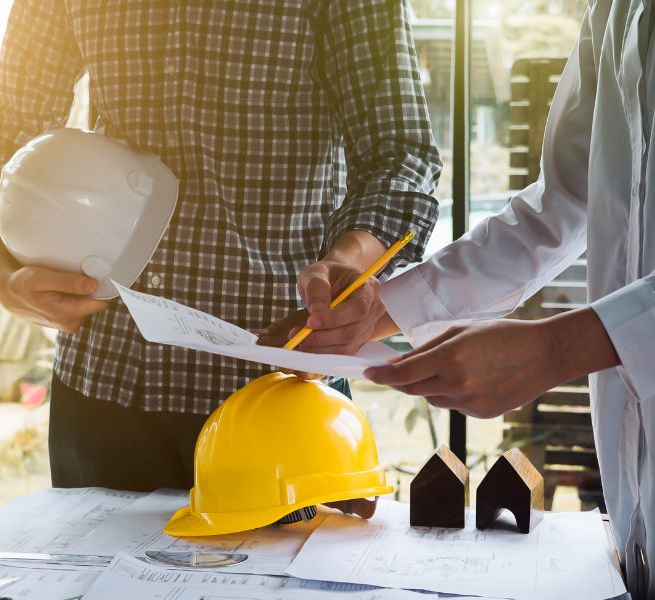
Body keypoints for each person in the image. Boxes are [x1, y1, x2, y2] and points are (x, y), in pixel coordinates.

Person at [0, 1, 440, 492]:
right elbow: (10, 123)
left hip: (280, 382)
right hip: (105, 375)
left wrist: (347, 264)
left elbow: (398, 150)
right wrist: (1, 264)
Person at [263, 1, 654, 596]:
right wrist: (383, 308)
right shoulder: (613, 12)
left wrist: (558, 349)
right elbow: (563, 204)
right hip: (634, 494)